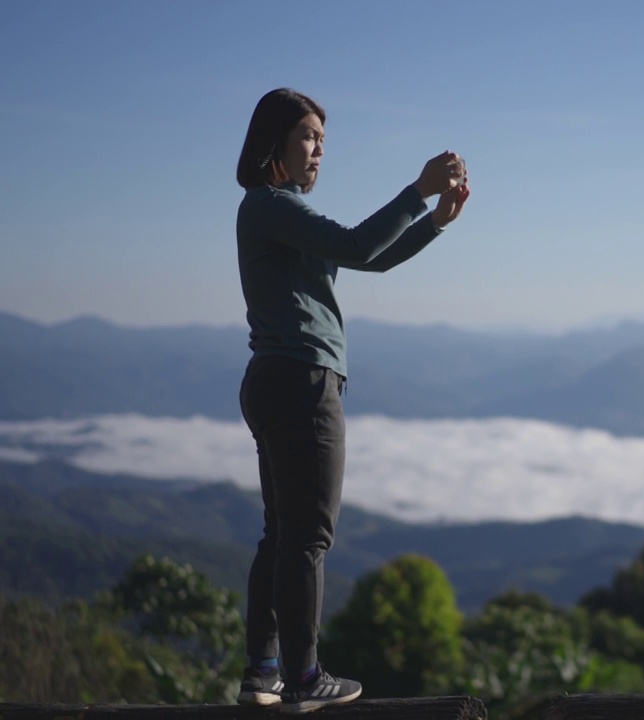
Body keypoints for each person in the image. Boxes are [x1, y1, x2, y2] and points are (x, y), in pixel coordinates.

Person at [232, 87, 470, 714]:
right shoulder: (269, 205)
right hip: (303, 381)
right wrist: (418, 192)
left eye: (321, 142)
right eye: (309, 136)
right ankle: (304, 678)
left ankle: (264, 671)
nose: (317, 151)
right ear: (274, 142)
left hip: (277, 379)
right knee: (307, 537)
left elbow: (372, 260)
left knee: (281, 535)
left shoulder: (275, 213)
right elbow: (361, 244)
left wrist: (435, 224)